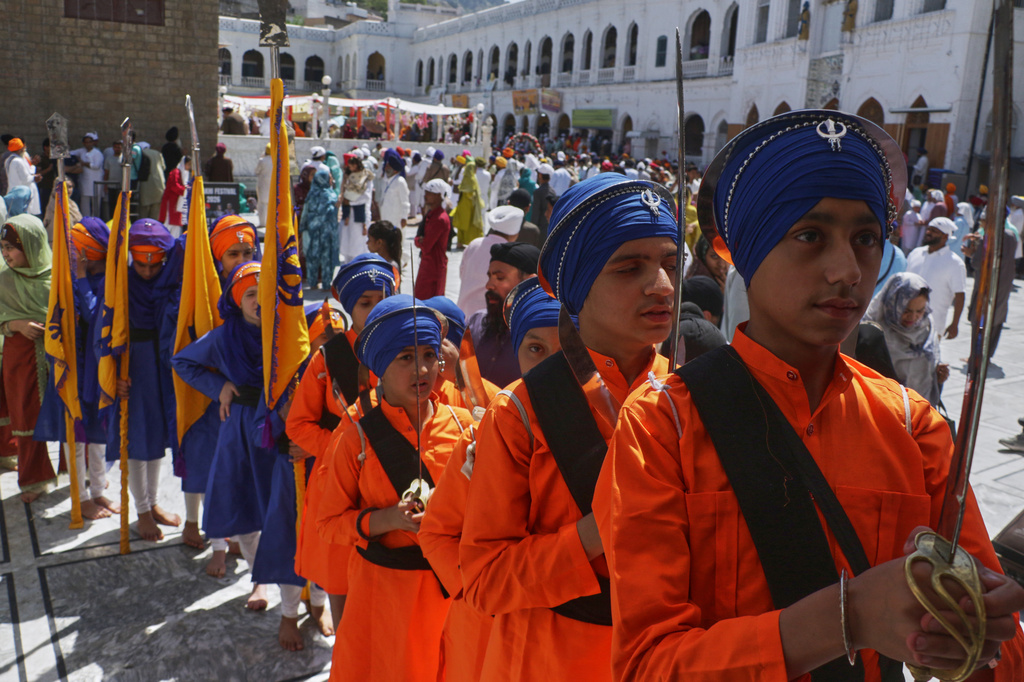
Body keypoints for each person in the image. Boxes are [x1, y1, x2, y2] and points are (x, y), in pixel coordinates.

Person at [595, 109, 1024, 681]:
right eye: (809, 236)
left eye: (867, 238)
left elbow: (1001, 656)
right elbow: (647, 665)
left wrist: (971, 641)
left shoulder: (913, 426)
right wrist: (848, 618)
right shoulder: (662, 427)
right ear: (740, 250)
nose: (847, 270)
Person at [459, 173, 676, 682]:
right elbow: (484, 581)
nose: (662, 285)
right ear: (576, 283)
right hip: (547, 661)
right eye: (630, 268)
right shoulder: (520, 412)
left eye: (670, 263)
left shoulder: (690, 395)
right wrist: (591, 536)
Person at [316, 295, 474, 682]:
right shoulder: (355, 434)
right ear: (379, 366)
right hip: (385, 597)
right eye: (405, 357)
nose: (422, 369)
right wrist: (386, 520)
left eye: (429, 355)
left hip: (456, 595)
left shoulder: (464, 424)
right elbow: (327, 522)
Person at [420, 279, 563, 682]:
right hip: (486, 626)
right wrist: (478, 594)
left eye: (567, 348)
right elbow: (436, 534)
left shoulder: (618, 428)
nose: (552, 364)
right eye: (536, 349)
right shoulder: (487, 432)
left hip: (566, 639)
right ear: (518, 353)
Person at [287, 253, 396, 631]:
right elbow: (298, 425)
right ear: (349, 307)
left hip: (396, 484)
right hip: (340, 484)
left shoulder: (410, 346)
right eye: (366, 303)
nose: (377, 309)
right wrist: (343, 448)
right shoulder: (327, 358)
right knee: (342, 583)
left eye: (384, 298)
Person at [171, 262, 274, 612]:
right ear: (235, 299)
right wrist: (220, 386)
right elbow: (183, 362)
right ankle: (258, 578)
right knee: (243, 501)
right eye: (250, 295)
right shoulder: (222, 338)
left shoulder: (286, 330)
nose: (259, 301)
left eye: (265, 293)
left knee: (280, 503)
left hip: (279, 425)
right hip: (240, 428)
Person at [107, 219, 184, 541]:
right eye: (141, 265)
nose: (148, 272)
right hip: (133, 367)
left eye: (155, 265)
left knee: (158, 440)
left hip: (162, 365)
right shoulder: (117, 284)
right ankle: (140, 510)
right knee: (136, 442)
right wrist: (111, 376)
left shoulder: (171, 280)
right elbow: (103, 334)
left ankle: (152, 503)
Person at [0, 215, 57, 503]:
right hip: (20, 356)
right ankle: (34, 478)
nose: (6, 254)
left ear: (33, 245)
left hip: (57, 355)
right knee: (25, 415)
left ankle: (79, 472)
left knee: (68, 411)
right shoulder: (4, 281)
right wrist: (17, 325)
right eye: (3, 247)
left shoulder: (57, 276)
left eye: (12, 247)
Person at [465, 241, 539, 388]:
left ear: (528, 282)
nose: (488, 286)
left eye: (500, 278)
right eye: (489, 277)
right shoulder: (475, 323)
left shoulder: (542, 336)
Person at [864, 272, 945, 405]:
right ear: (893, 304)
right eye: (906, 311)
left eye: (919, 311)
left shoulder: (927, 328)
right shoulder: (873, 334)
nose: (913, 318)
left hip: (920, 414)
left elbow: (929, 373)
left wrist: (939, 376)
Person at [906, 216, 966, 342]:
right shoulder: (915, 253)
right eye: (929, 229)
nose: (928, 232)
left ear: (945, 236)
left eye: (934, 231)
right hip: (905, 320)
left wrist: (955, 324)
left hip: (933, 324)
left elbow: (960, 295)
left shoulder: (955, 263)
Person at [457, 206, 524, 317]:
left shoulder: (474, 244)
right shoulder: (510, 254)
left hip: (464, 310)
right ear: (515, 233)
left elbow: (462, 273)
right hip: (489, 317)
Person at [299, 168, 339, 290]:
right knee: (327, 258)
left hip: (313, 232)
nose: (332, 180)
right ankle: (326, 284)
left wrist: (301, 228)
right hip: (328, 233)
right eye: (330, 177)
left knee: (312, 257)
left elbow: (305, 213)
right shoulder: (331, 195)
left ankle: (313, 283)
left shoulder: (311, 194)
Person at [414, 179, 452, 299]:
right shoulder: (433, 214)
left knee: (428, 302)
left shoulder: (439, 218)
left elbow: (426, 245)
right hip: (429, 264)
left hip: (433, 267)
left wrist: (418, 241)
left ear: (438, 196)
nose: (425, 196)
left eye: (429, 193)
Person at [340, 153, 374, 263]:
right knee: (347, 241)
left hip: (361, 213)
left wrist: (351, 201)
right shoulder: (349, 177)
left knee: (359, 242)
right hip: (348, 214)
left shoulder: (366, 177)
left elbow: (366, 196)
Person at [451, 157, 486, 248]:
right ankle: (465, 243)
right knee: (467, 224)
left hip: (466, 205)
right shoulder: (470, 179)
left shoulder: (468, 178)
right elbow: (469, 193)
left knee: (464, 224)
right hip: (468, 206)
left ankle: (464, 242)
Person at [72, 133, 105, 217]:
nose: (88, 144)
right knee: (84, 204)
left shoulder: (97, 153)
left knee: (95, 205)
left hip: (96, 181)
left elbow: (96, 166)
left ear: (93, 143)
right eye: (86, 142)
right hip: (85, 182)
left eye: (90, 142)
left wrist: (83, 163)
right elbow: (71, 153)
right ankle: (85, 221)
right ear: (83, 143)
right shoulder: (81, 151)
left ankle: (96, 221)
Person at [5, 139, 41, 216]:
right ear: (20, 149)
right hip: (20, 195)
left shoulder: (8, 160)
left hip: (13, 192)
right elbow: (26, 179)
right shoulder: (18, 161)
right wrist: (35, 178)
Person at [378, 150, 410, 229]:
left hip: (396, 217)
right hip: (386, 215)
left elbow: (405, 202)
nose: (386, 168)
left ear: (395, 169)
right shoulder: (386, 180)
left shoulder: (400, 181)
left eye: (389, 166)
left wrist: (404, 217)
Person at [159, 156, 190, 237]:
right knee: (168, 223)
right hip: (171, 203)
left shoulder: (185, 173)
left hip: (178, 203)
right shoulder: (175, 172)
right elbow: (174, 186)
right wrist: (185, 190)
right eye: (188, 164)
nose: (189, 167)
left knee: (177, 223)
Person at [138, 143, 167, 220]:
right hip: (159, 185)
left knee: (144, 212)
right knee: (155, 213)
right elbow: (163, 167)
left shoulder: (141, 154)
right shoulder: (157, 153)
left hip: (145, 185)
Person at [530, 162, 555, 236]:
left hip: (539, 229)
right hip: (549, 228)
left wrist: (532, 230)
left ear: (540, 175)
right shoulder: (553, 191)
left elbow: (536, 212)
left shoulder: (538, 192)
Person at [255, 143, 273, 228]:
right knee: (272, 204)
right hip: (273, 184)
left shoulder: (262, 160)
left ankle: (263, 223)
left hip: (263, 184)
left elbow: (256, 171)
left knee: (262, 204)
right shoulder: (276, 160)